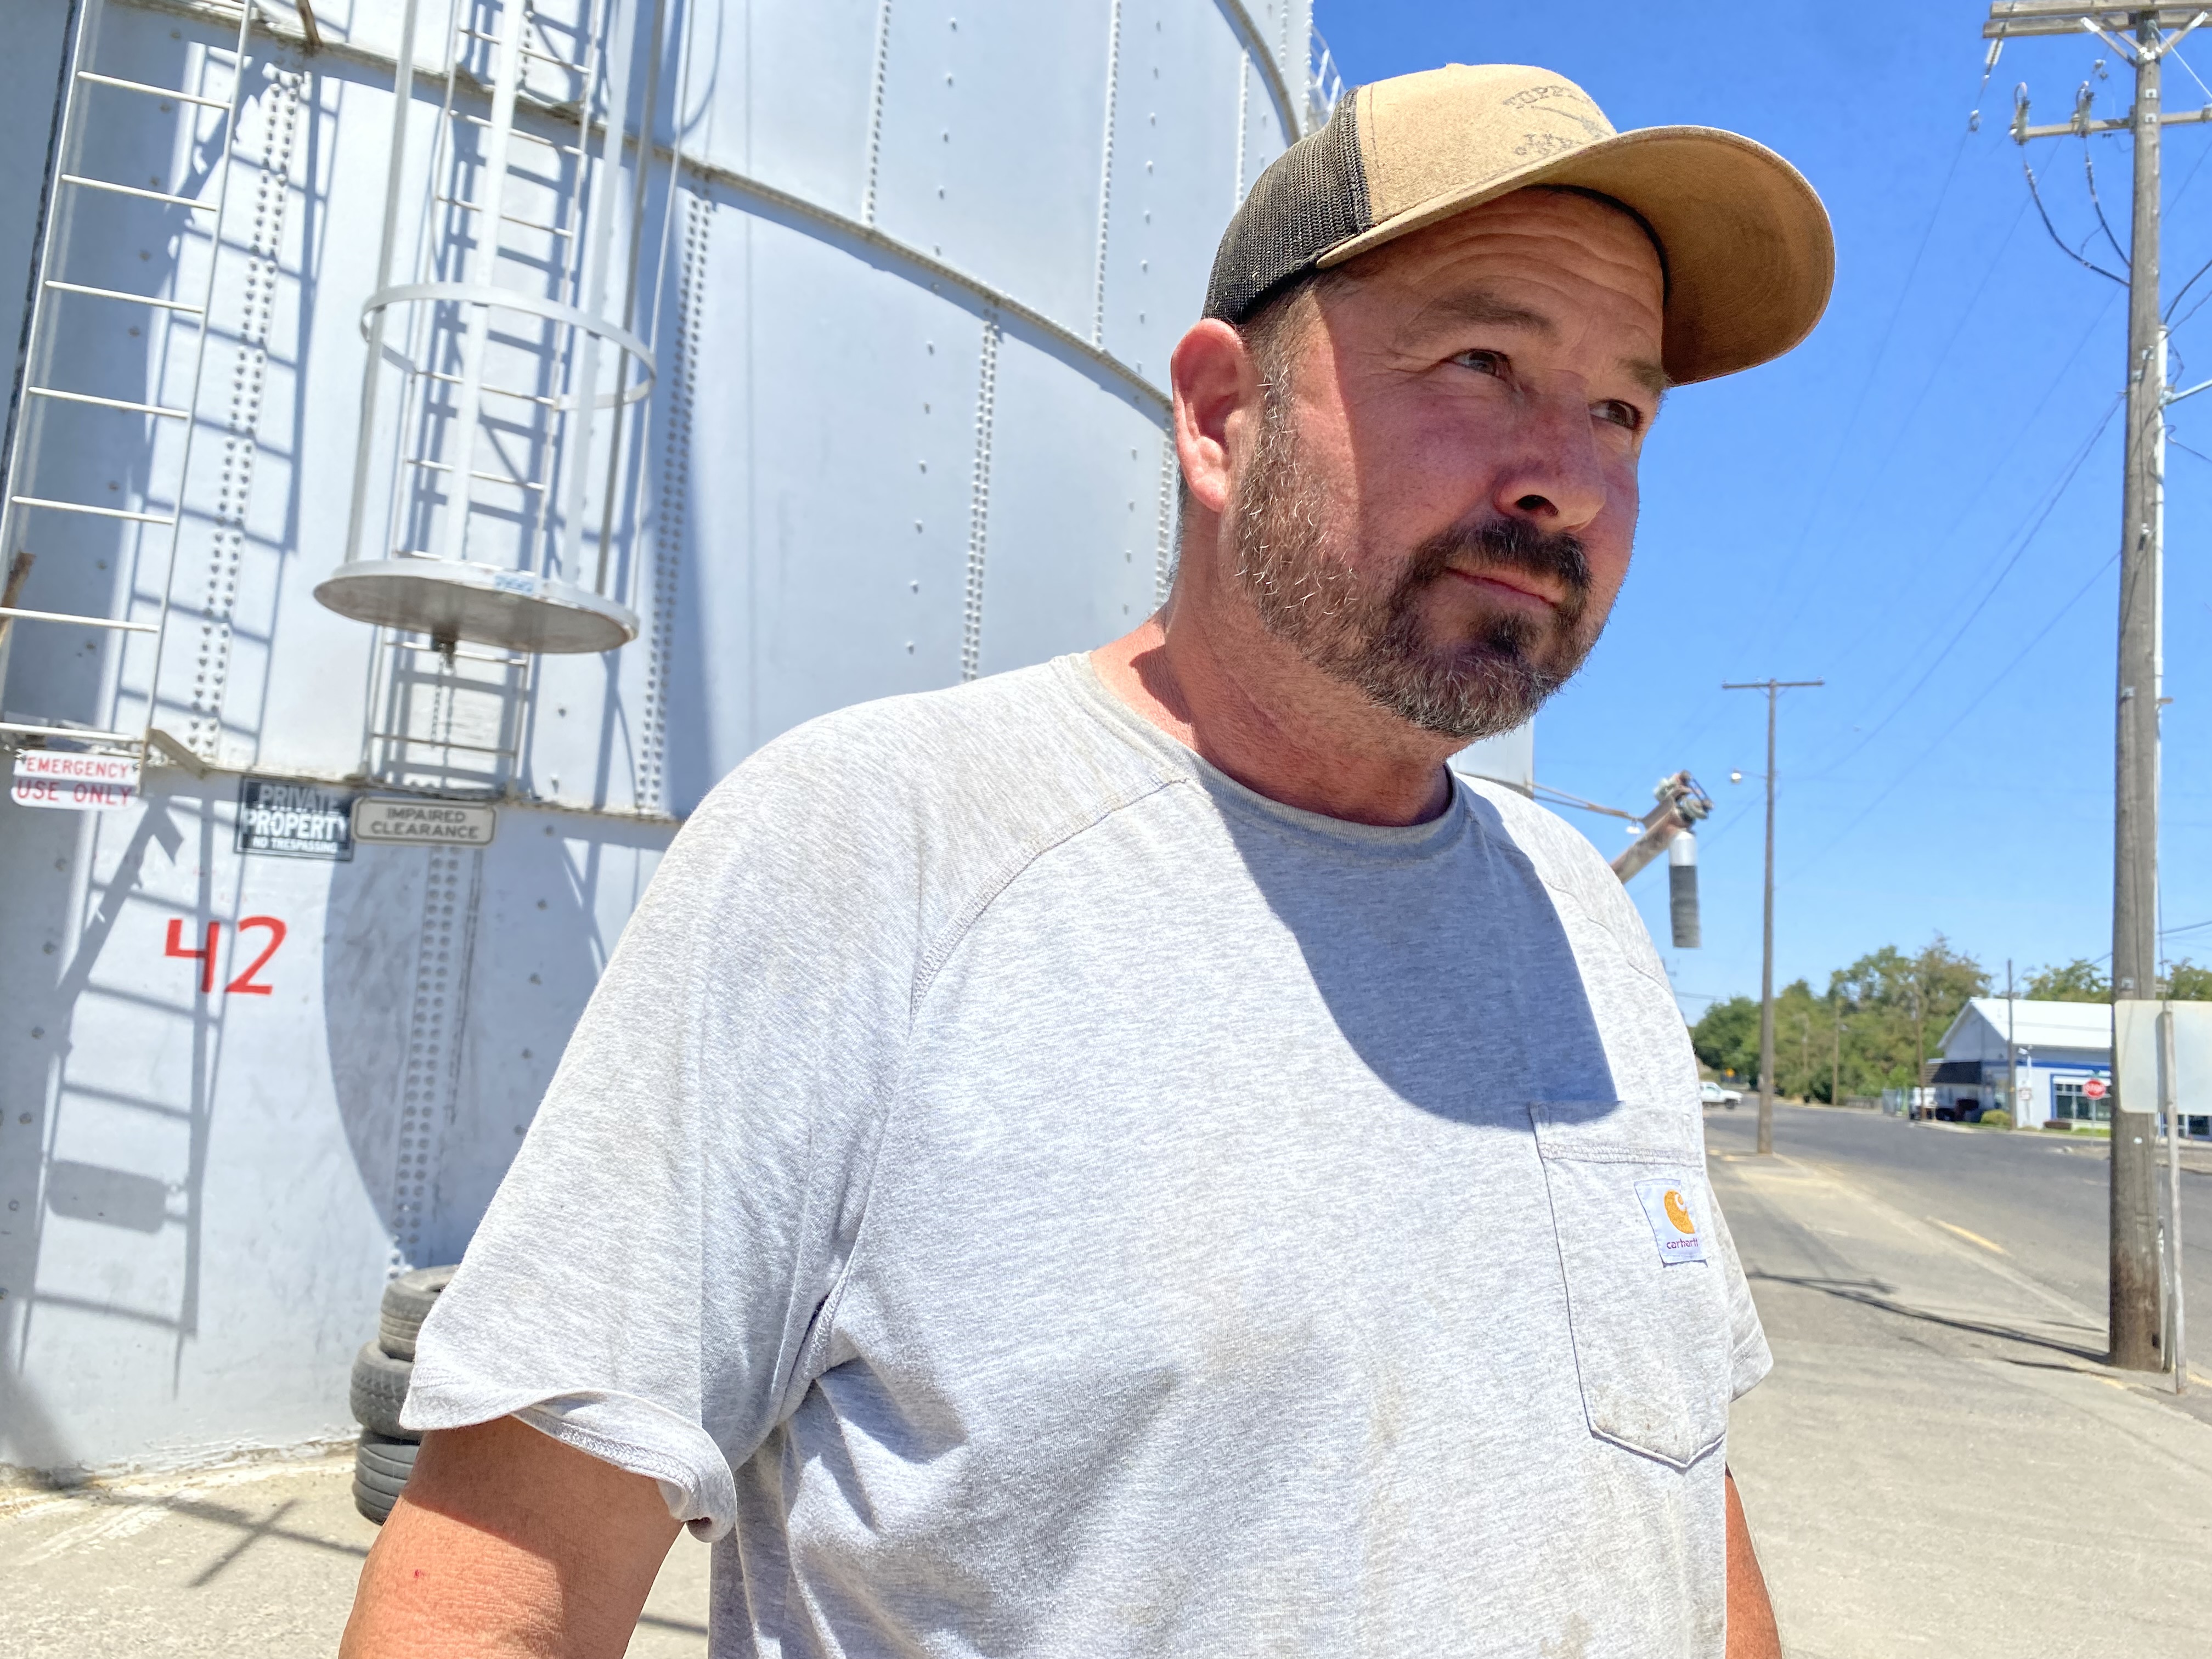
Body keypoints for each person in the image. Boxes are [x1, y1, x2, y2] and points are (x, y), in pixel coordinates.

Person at [342, 61, 1831, 1659]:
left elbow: (1678, 1498)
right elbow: (493, 1599)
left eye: (1622, 407)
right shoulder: (875, 853)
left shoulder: (1587, 936)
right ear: (1220, 417)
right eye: (1483, 360)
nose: (1572, 478)